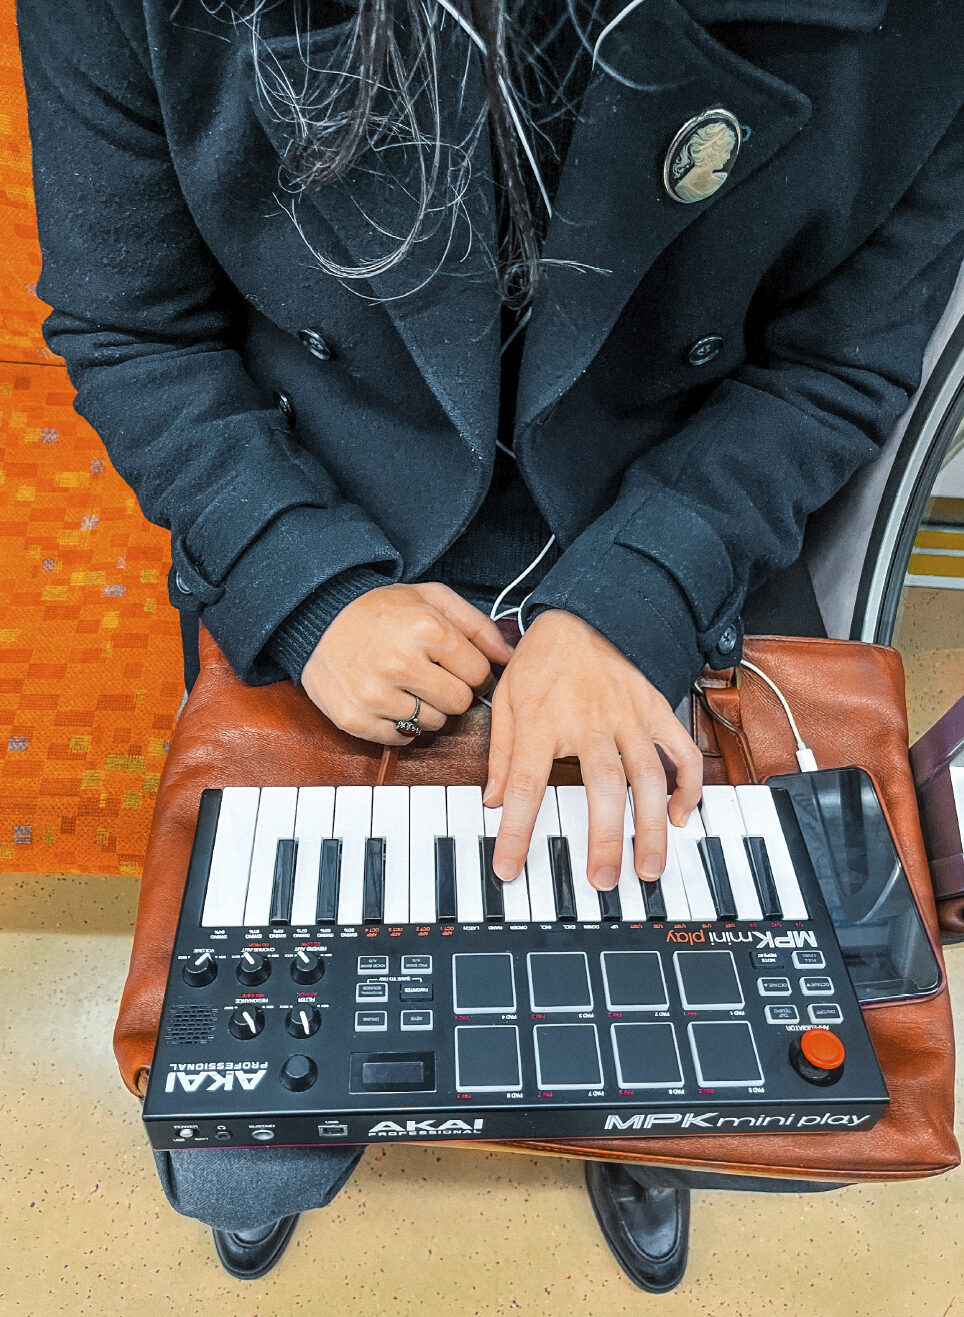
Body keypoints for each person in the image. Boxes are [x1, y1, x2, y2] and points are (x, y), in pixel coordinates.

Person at [16, 0, 964, 1292]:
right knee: (243, 1138)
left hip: (675, 511)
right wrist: (306, 588)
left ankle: (631, 1131)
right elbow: (134, 326)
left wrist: (638, 594)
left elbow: (839, 368)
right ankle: (317, 1121)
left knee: (685, 1043)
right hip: (325, 508)